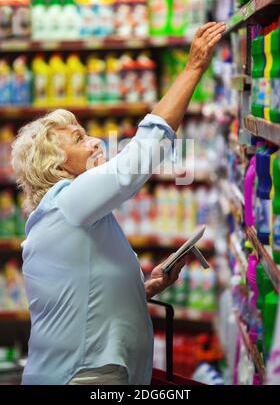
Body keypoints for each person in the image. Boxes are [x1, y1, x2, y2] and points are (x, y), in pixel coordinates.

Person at [12, 22, 226, 385]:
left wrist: (143, 289)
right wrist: (193, 69)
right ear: (56, 164)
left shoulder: (69, 215)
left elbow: (82, 298)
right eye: (80, 139)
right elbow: (139, 159)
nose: (96, 141)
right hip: (81, 378)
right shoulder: (67, 202)